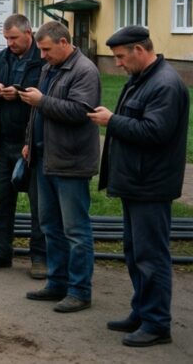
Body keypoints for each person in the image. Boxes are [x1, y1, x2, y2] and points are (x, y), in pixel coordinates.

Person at [89, 26, 188, 347]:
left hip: (151, 185)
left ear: (139, 51)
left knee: (151, 256)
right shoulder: (144, 79)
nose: (117, 64)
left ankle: (157, 323)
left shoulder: (165, 84)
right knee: (134, 253)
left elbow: (155, 132)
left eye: (120, 57)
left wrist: (111, 121)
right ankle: (142, 312)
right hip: (135, 181)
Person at [19, 21, 100, 313]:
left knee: (75, 230)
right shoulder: (50, 68)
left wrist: (42, 101)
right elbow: (36, 113)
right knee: (50, 226)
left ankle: (79, 291)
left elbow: (80, 112)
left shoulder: (85, 71)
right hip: (45, 158)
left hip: (71, 162)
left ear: (64, 43)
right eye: (40, 50)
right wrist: (30, 140)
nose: (42, 55)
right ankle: (57, 282)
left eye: (46, 49)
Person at [0, 14, 47, 279]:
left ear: (29, 34)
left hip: (34, 143)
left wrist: (20, 93)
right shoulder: (3, 57)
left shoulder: (42, 58)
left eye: (14, 38)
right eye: (6, 38)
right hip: (4, 141)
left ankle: (40, 258)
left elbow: (47, 93)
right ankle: (1, 252)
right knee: (0, 200)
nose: (10, 43)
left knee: (39, 205)